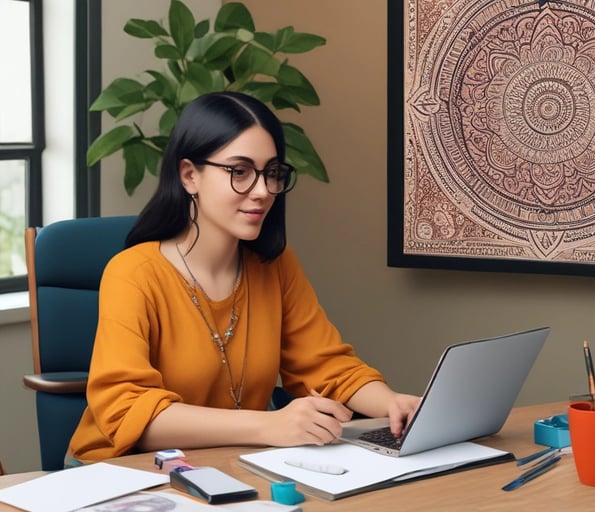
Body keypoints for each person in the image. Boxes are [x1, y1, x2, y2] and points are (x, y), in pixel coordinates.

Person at [67, 91, 421, 465]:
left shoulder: (275, 265)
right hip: (123, 472)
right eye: (240, 171)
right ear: (189, 175)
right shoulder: (133, 274)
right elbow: (128, 412)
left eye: (271, 172)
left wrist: (394, 403)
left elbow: (326, 366)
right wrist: (269, 426)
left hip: (231, 463)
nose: (263, 191)